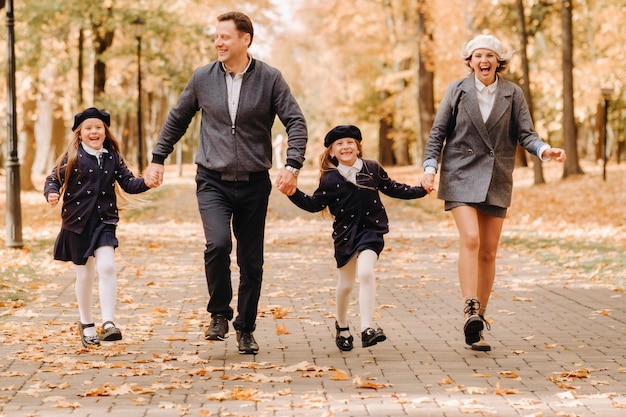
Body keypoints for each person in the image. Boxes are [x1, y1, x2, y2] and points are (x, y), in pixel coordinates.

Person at [144, 11, 307, 354]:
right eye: (216, 37)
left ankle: (245, 328)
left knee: (251, 261)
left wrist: (292, 166)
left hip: (253, 183)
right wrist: (158, 159)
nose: (218, 42)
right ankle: (219, 312)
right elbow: (177, 118)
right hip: (212, 180)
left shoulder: (270, 79)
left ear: (245, 39)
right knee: (217, 245)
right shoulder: (203, 78)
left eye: (225, 37)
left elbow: (295, 122)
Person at [420, 34, 567, 352]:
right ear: (470, 61)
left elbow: (526, 134)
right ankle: (469, 306)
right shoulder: (456, 91)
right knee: (470, 239)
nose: (483, 60)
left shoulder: (513, 93)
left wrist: (544, 151)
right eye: (477, 56)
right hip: (459, 173)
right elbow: (438, 133)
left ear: (498, 61)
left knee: (488, 251)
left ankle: (478, 323)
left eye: (489, 55)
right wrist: (430, 167)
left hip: (496, 177)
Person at [287, 125, 428, 351]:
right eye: (340, 144)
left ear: (358, 147)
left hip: (372, 230)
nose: (346, 147)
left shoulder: (372, 169)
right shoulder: (330, 180)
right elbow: (314, 204)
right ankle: (342, 325)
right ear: (332, 152)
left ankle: (366, 328)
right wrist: (293, 193)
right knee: (346, 285)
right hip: (345, 235)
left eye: (350, 142)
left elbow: (393, 188)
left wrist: (421, 189)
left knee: (366, 272)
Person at [44, 107, 153, 348]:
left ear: (105, 132)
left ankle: (108, 322)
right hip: (76, 223)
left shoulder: (112, 156)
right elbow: (53, 179)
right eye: (88, 128)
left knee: (107, 266)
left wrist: (146, 182)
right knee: (84, 274)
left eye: (98, 127)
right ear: (80, 133)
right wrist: (52, 194)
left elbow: (128, 182)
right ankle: (86, 323)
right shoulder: (71, 156)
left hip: (104, 221)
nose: (94, 131)